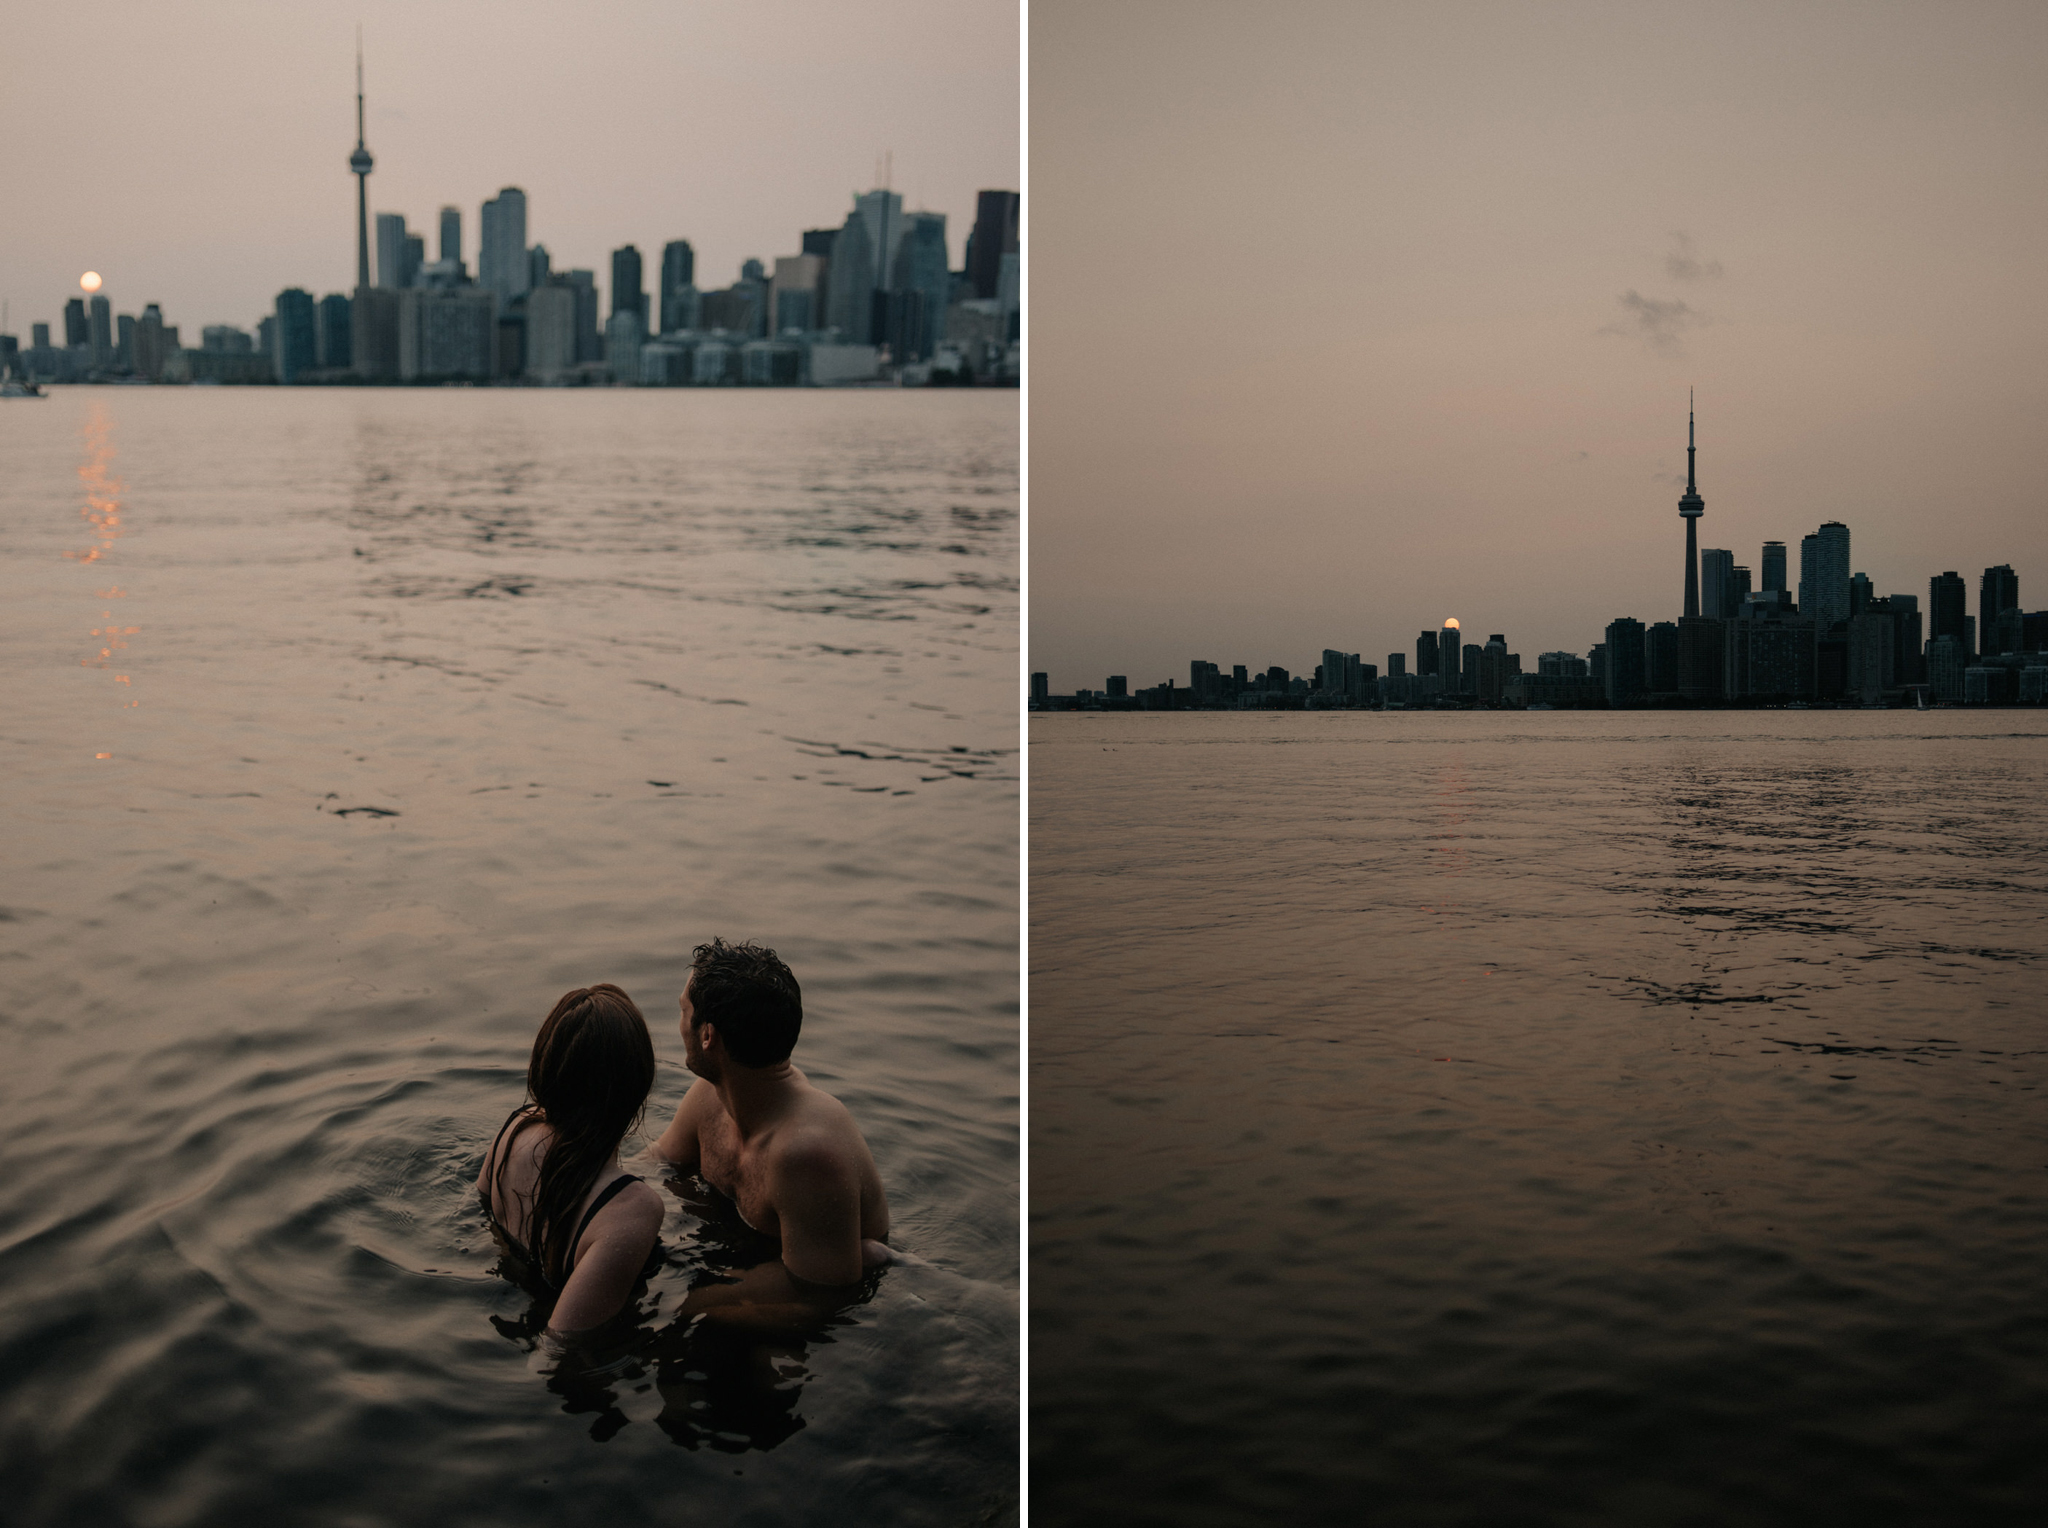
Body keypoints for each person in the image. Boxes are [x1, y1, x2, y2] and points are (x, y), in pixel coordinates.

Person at [651, 938, 891, 1326]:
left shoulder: (807, 1154)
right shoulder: (710, 1097)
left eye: (683, 1011)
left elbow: (820, 1290)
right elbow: (656, 1164)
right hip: (748, 1256)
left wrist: (682, 1299)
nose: (679, 1023)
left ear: (707, 1035)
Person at [476, 984, 667, 1336]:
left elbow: (481, 1208)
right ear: (636, 1086)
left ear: (546, 1066)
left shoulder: (515, 1128)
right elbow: (561, 1344)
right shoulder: (633, 1209)